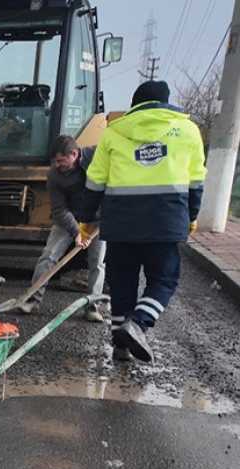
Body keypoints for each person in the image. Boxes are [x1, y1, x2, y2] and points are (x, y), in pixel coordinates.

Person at [77, 80, 206, 362]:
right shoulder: (187, 130)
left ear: (135, 104)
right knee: (164, 279)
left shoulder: (114, 131)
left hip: (120, 223)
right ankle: (138, 323)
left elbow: (95, 181)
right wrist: (192, 215)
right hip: (165, 221)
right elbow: (196, 180)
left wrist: (86, 220)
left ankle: (120, 344)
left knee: (121, 282)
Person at [17, 135, 105, 322]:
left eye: (61, 161)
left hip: (97, 218)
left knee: (97, 262)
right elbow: (59, 209)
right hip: (69, 218)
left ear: (74, 154)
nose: (57, 165)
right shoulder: (54, 175)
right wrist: (77, 232)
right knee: (48, 256)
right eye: (55, 161)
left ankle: (92, 306)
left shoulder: (97, 156)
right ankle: (32, 299)